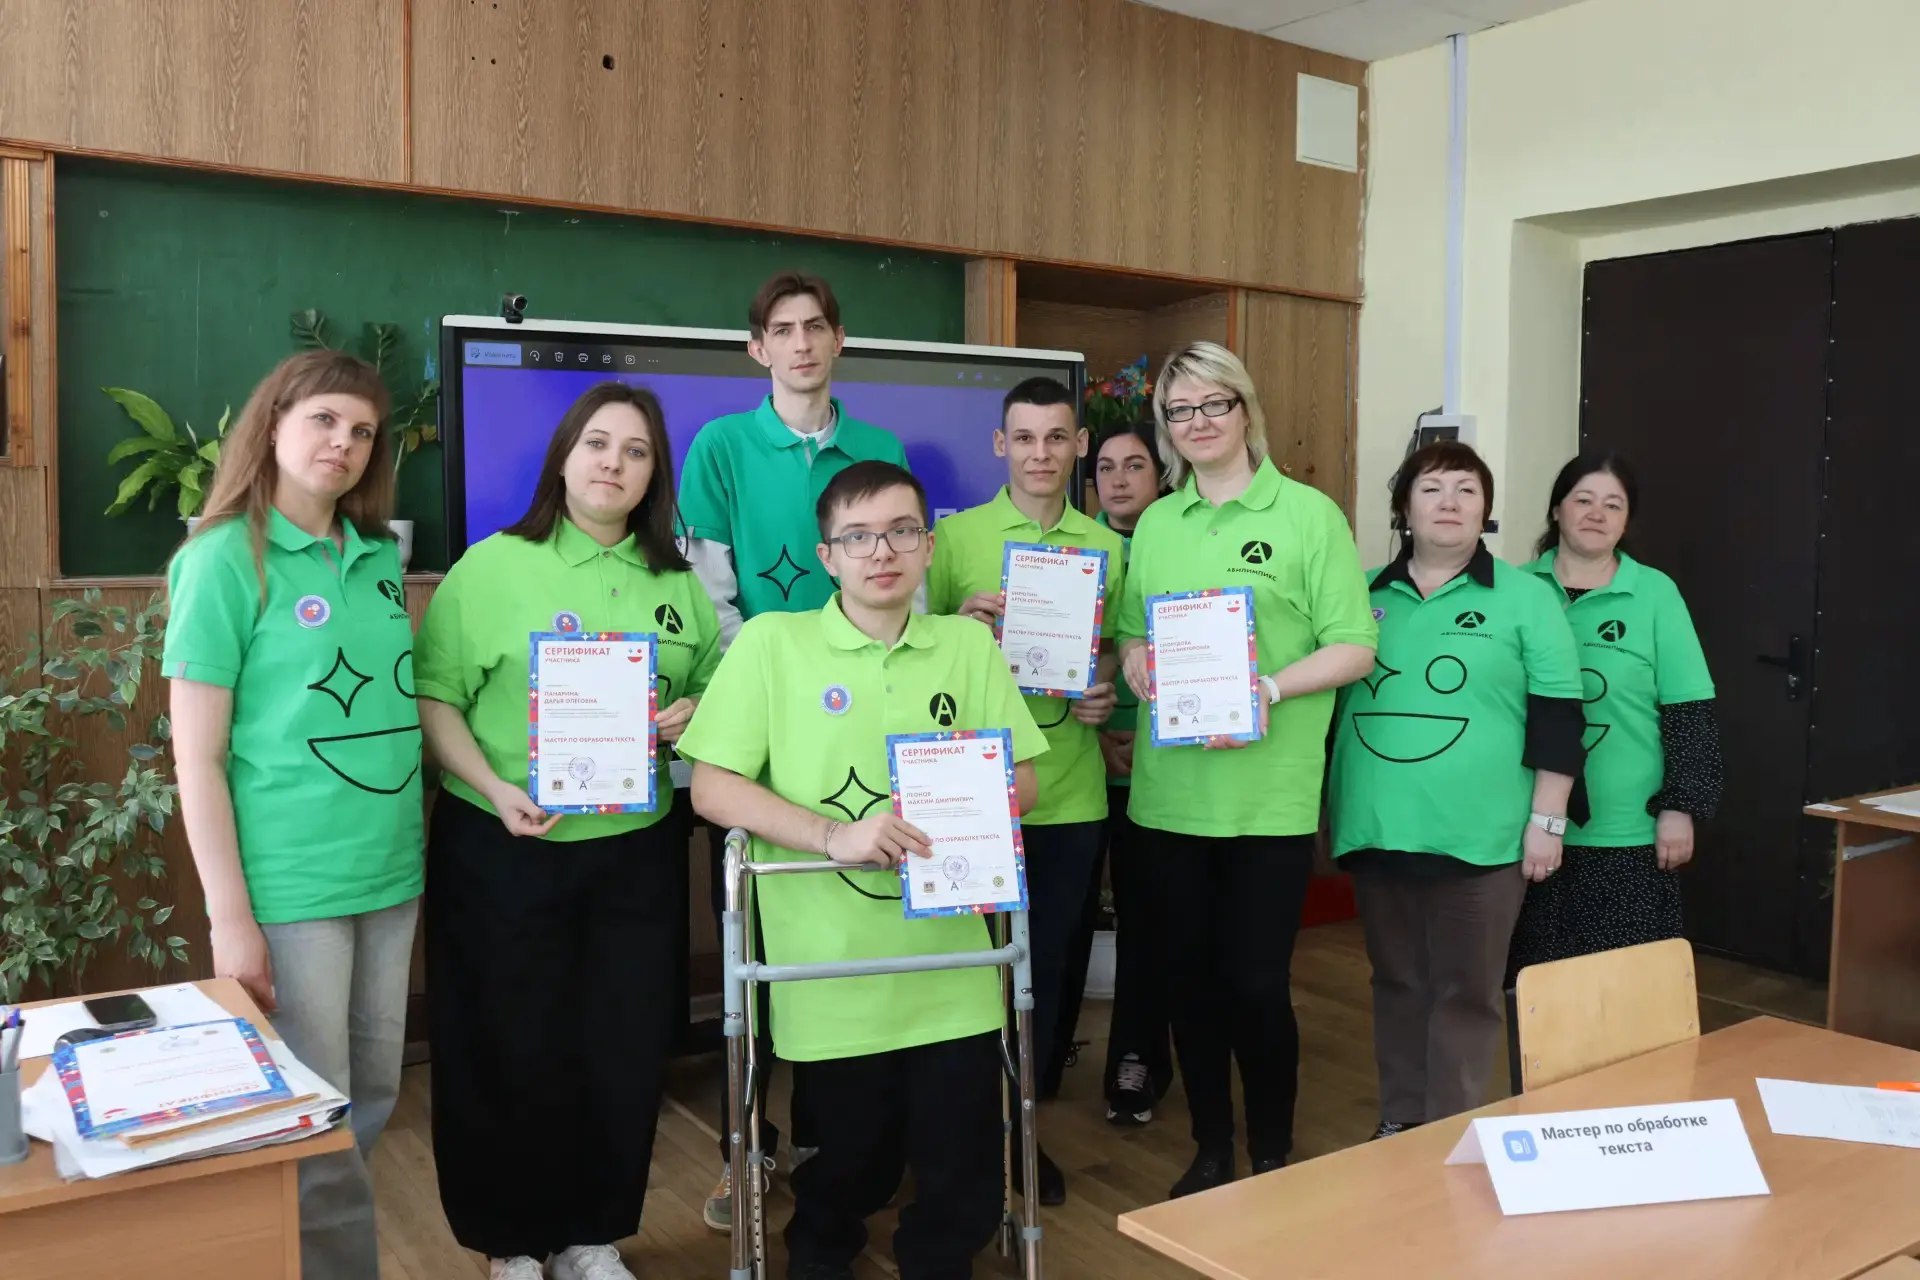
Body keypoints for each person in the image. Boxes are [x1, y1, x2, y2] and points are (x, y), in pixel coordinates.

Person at [679, 460, 1044, 1280]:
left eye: (902, 532)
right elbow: (712, 786)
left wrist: (959, 801)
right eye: (859, 537)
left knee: (963, 1176)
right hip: (830, 974)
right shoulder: (773, 644)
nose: (883, 552)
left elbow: (1023, 780)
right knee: (848, 1168)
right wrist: (832, 835)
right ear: (827, 555)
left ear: (928, 545)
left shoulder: (966, 646)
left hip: (954, 969)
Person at [413, 383, 720, 1280]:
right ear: (563, 457)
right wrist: (493, 787)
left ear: (654, 475)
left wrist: (694, 713)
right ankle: (510, 1241)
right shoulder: (491, 567)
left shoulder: (677, 582)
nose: (614, 464)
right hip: (504, 845)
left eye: (636, 451)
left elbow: (714, 688)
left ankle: (593, 1234)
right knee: (502, 1046)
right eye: (597, 444)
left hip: (635, 853)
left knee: (621, 1044)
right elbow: (435, 697)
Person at [165, 350, 422, 1280]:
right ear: (272, 424)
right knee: (312, 1118)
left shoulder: (379, 557)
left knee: (373, 1096)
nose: (343, 444)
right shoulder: (220, 560)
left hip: (390, 875)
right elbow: (197, 758)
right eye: (323, 421)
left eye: (363, 432)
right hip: (292, 885)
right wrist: (230, 918)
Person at [678, 270, 913, 1226]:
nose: (802, 343)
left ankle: (834, 1148)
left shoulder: (882, 447)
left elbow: (903, 584)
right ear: (757, 349)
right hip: (760, 730)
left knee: (848, 942)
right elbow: (708, 588)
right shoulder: (720, 447)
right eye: (783, 330)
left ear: (839, 338)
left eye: (817, 326)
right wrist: (775, 684)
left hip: (862, 740)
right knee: (756, 955)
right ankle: (747, 1149)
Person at [1115, 342, 1377, 1198]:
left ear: (1244, 409)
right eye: (1179, 411)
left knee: (1258, 986)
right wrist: (1136, 661)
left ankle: (1270, 1145)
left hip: (1268, 798)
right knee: (1188, 984)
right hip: (1171, 798)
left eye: (1212, 404)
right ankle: (1211, 1145)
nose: (1197, 423)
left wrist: (1265, 687)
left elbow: (1355, 645)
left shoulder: (1308, 515)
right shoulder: (1159, 522)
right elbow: (1132, 631)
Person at [1328, 440, 1584, 1142]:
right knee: (1396, 982)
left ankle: (1456, 1132)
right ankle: (1401, 1119)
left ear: (1486, 511)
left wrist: (1548, 822)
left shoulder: (1527, 597)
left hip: (1485, 836)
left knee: (1467, 993)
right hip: (1378, 824)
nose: (1449, 502)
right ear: (1404, 508)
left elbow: (1559, 717)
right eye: (1432, 488)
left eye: (1466, 490)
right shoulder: (1359, 595)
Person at [925, 376, 1124, 1205]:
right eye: (1026, 438)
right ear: (1000, 445)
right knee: (968, 974)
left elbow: (1116, 651)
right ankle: (960, 1136)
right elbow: (909, 649)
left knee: (1046, 974)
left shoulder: (1108, 547)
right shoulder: (953, 538)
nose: (1041, 453)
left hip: (1071, 793)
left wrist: (1104, 690)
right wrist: (957, 627)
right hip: (974, 800)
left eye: (1057, 437)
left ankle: (1022, 1133)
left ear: (1079, 445)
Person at [1508, 451, 1722, 971]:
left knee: (1625, 984)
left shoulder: (1655, 593)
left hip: (1627, 825)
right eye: (1583, 500)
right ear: (1556, 509)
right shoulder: (1514, 589)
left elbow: (1690, 709)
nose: (1596, 514)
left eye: (1612, 505)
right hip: (1522, 820)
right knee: (1535, 983)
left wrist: (1680, 806)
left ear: (1627, 520)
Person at [1086, 420, 1175, 1126]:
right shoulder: (1073, 550)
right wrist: (1097, 741)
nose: (1118, 479)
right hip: (1079, 766)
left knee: (1149, 924)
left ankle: (1137, 1059)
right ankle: (1043, 1057)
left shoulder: (1182, 543)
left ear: (1161, 474)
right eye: (1107, 467)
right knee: (1067, 922)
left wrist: (1143, 738)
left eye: (1135, 465)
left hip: (1164, 768)